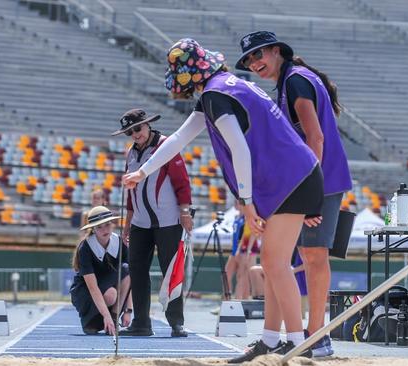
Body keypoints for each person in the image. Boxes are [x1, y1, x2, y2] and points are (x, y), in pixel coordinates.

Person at [122, 38, 323, 362]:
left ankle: (298, 343)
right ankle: (271, 340)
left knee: (272, 262)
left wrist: (244, 201)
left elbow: (240, 150)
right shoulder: (219, 89)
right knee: (274, 263)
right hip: (291, 177)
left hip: (292, 179)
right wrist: (142, 173)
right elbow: (178, 138)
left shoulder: (217, 94)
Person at [235, 30, 353, 357]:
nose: (253, 63)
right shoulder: (293, 81)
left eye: (259, 55)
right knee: (292, 258)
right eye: (248, 60)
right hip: (316, 180)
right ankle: (290, 334)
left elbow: (316, 138)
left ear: (277, 51)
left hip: (321, 181)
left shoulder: (296, 81)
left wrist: (310, 195)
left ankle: (318, 337)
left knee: (313, 257)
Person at [112, 108, 194, 338]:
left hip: (168, 221)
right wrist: (127, 223)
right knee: (137, 271)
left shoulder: (166, 146)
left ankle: (176, 322)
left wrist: (185, 213)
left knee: (172, 271)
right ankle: (141, 323)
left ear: (147, 125)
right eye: (130, 132)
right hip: (140, 222)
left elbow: (182, 183)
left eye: (137, 128)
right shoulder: (131, 153)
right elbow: (130, 193)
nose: (135, 134)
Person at [70, 206, 132, 335]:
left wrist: (128, 311)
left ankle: (114, 318)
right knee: (91, 327)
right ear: (93, 229)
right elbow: (92, 287)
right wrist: (106, 316)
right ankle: (95, 318)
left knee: (126, 270)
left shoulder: (120, 243)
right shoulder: (85, 248)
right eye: (99, 227)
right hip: (86, 292)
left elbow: (129, 278)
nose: (105, 229)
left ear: (113, 224)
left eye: (107, 224)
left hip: (109, 290)